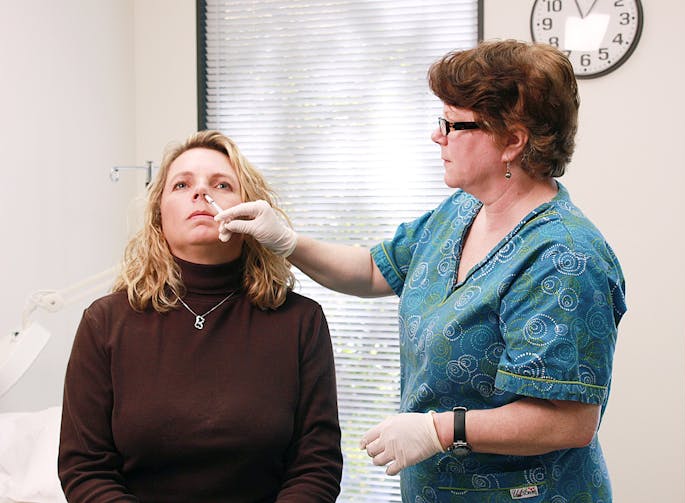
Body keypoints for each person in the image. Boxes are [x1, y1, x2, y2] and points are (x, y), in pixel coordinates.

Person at [214, 39, 627, 502]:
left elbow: (568, 421)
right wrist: (288, 242)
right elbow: (373, 270)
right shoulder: (463, 212)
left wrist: (438, 430)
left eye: (453, 124)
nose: (438, 136)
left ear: (512, 140)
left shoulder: (562, 256)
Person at [58, 130, 343, 502]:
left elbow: (316, 467)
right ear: (158, 216)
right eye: (181, 184)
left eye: (221, 184)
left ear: (252, 211)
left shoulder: (300, 321)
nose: (200, 193)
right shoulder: (105, 323)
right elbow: (85, 468)